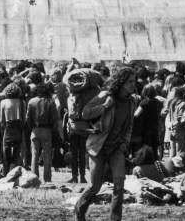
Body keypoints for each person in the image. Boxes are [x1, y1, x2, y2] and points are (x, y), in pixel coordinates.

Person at [74, 67, 138, 221]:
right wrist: (104, 106)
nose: (133, 84)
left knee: (119, 186)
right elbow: (85, 113)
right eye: (129, 81)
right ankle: (79, 210)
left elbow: (129, 125)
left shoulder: (132, 101)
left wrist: (125, 142)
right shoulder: (105, 96)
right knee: (95, 186)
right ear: (121, 82)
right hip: (98, 147)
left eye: (134, 81)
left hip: (116, 148)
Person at [26, 83, 59, 182]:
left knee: (34, 154)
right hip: (47, 129)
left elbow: (28, 117)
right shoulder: (50, 101)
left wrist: (32, 127)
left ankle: (34, 178)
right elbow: (55, 118)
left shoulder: (31, 101)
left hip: (35, 129)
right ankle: (47, 179)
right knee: (47, 154)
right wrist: (53, 128)